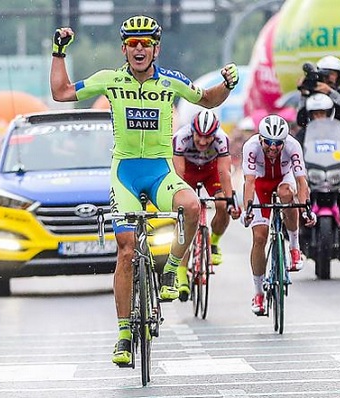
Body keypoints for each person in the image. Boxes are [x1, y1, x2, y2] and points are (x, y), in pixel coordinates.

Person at [49, 15, 239, 366]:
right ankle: (123, 334)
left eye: (145, 43)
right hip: (125, 174)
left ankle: (172, 268)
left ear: (156, 49)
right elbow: (61, 93)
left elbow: (208, 100)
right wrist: (59, 52)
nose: (139, 49)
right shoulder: (109, 80)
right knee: (125, 252)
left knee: (193, 206)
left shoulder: (170, 82)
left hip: (159, 170)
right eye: (132, 44)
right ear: (123, 49)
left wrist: (227, 85)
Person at [241, 114, 316, 315]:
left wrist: (305, 209)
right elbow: (249, 182)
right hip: (259, 184)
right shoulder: (251, 147)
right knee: (259, 237)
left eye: (278, 143)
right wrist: (248, 210)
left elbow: (301, 182)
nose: (273, 148)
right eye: (268, 143)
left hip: (284, 179)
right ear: (260, 139)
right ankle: (258, 294)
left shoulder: (293, 146)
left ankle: (294, 247)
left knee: (287, 194)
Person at [172, 110, 241, 300]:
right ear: (192, 131)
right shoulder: (181, 137)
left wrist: (230, 200)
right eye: (199, 137)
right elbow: (178, 172)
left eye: (208, 138)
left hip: (211, 171)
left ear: (215, 134)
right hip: (188, 171)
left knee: (221, 205)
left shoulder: (222, 139)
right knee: (185, 221)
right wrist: (180, 199)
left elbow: (224, 172)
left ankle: (214, 243)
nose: (202, 142)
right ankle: (181, 274)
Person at [294, 93, 340, 251]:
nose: (319, 116)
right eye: (315, 113)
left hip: (337, 175)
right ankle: (293, 233)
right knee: (293, 197)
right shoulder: (303, 134)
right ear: (310, 115)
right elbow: (293, 151)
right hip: (312, 176)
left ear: (330, 113)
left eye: (322, 113)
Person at [296, 55, 340, 128]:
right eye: (326, 74)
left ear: (339, 76)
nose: (330, 77)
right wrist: (305, 93)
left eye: (333, 74)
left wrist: (330, 92)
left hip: (338, 132)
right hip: (313, 132)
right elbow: (301, 120)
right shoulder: (312, 91)